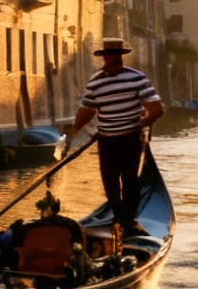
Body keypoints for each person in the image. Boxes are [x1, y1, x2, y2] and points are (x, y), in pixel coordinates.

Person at [69, 38, 163, 236]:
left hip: (131, 138)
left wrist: (143, 122)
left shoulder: (137, 78)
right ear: (104, 58)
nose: (114, 59)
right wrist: (76, 128)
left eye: (117, 56)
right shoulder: (95, 82)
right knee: (110, 182)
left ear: (121, 57)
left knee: (129, 179)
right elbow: (87, 111)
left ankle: (130, 220)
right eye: (111, 56)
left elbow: (156, 109)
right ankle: (119, 218)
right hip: (106, 139)